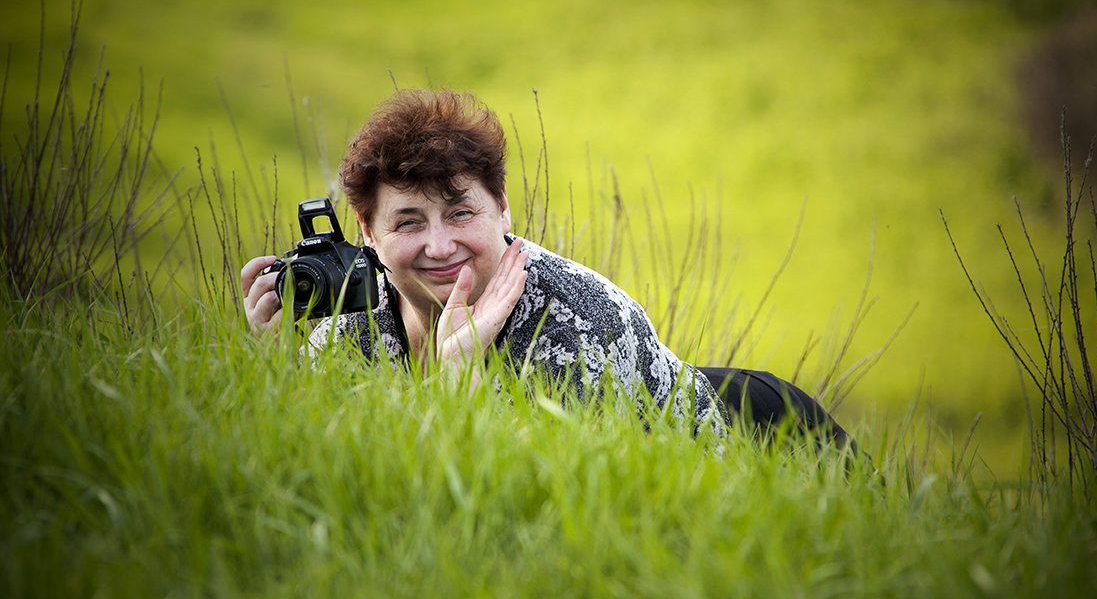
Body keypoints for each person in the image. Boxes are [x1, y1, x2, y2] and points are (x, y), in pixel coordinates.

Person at [240, 88, 852, 448]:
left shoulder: (580, 323)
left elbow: (550, 508)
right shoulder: (348, 327)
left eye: (460, 212)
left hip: (762, 428)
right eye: (407, 222)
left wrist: (463, 385)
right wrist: (276, 370)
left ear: (503, 207)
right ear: (368, 234)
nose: (439, 245)